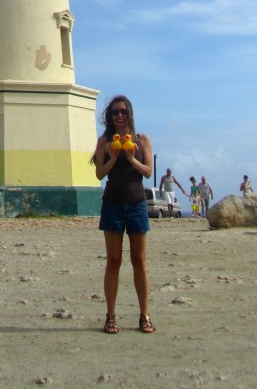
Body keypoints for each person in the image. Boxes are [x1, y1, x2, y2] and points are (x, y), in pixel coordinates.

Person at [93, 95, 155, 334]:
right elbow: (100, 174)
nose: (120, 116)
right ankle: (110, 316)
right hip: (113, 204)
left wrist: (130, 158)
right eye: (115, 112)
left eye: (124, 112)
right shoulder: (104, 142)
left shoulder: (142, 140)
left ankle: (144, 315)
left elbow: (148, 172)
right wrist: (113, 158)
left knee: (139, 261)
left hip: (137, 203)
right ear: (110, 116)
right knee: (113, 261)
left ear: (130, 115)